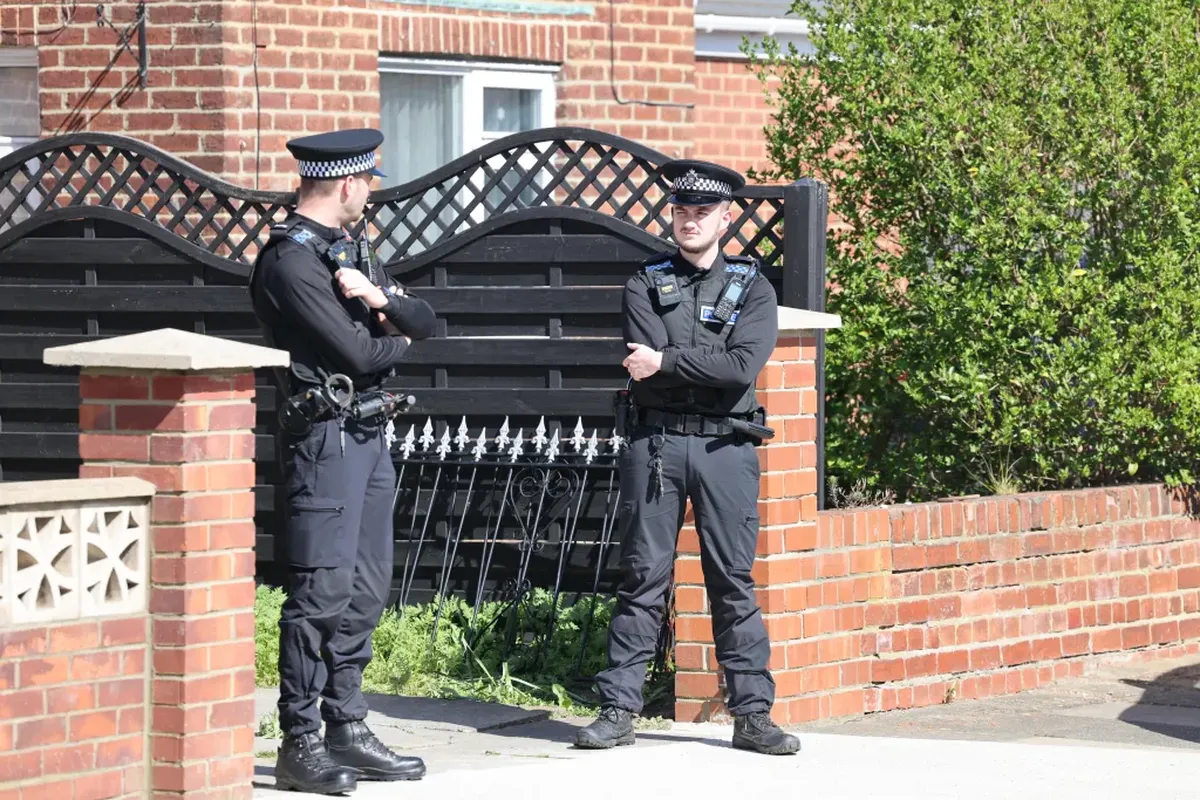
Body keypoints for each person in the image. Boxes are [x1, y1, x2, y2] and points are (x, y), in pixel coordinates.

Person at [574, 160, 800, 756]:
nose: (690, 221)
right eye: (681, 211)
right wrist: (684, 369)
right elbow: (643, 377)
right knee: (643, 578)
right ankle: (619, 707)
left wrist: (669, 361)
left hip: (727, 447)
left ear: (727, 217)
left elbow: (739, 370)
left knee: (733, 581)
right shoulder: (643, 284)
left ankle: (752, 715)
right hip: (657, 445)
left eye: (703, 212)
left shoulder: (754, 288)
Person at [249, 128, 437, 794]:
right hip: (324, 439)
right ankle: (299, 742)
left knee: (364, 589)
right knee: (319, 596)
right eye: (368, 185)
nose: (369, 196)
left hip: (368, 436)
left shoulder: (351, 249)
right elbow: (363, 356)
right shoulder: (291, 263)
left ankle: (346, 726)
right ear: (349, 184)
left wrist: (383, 305)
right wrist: (392, 336)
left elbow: (426, 322)